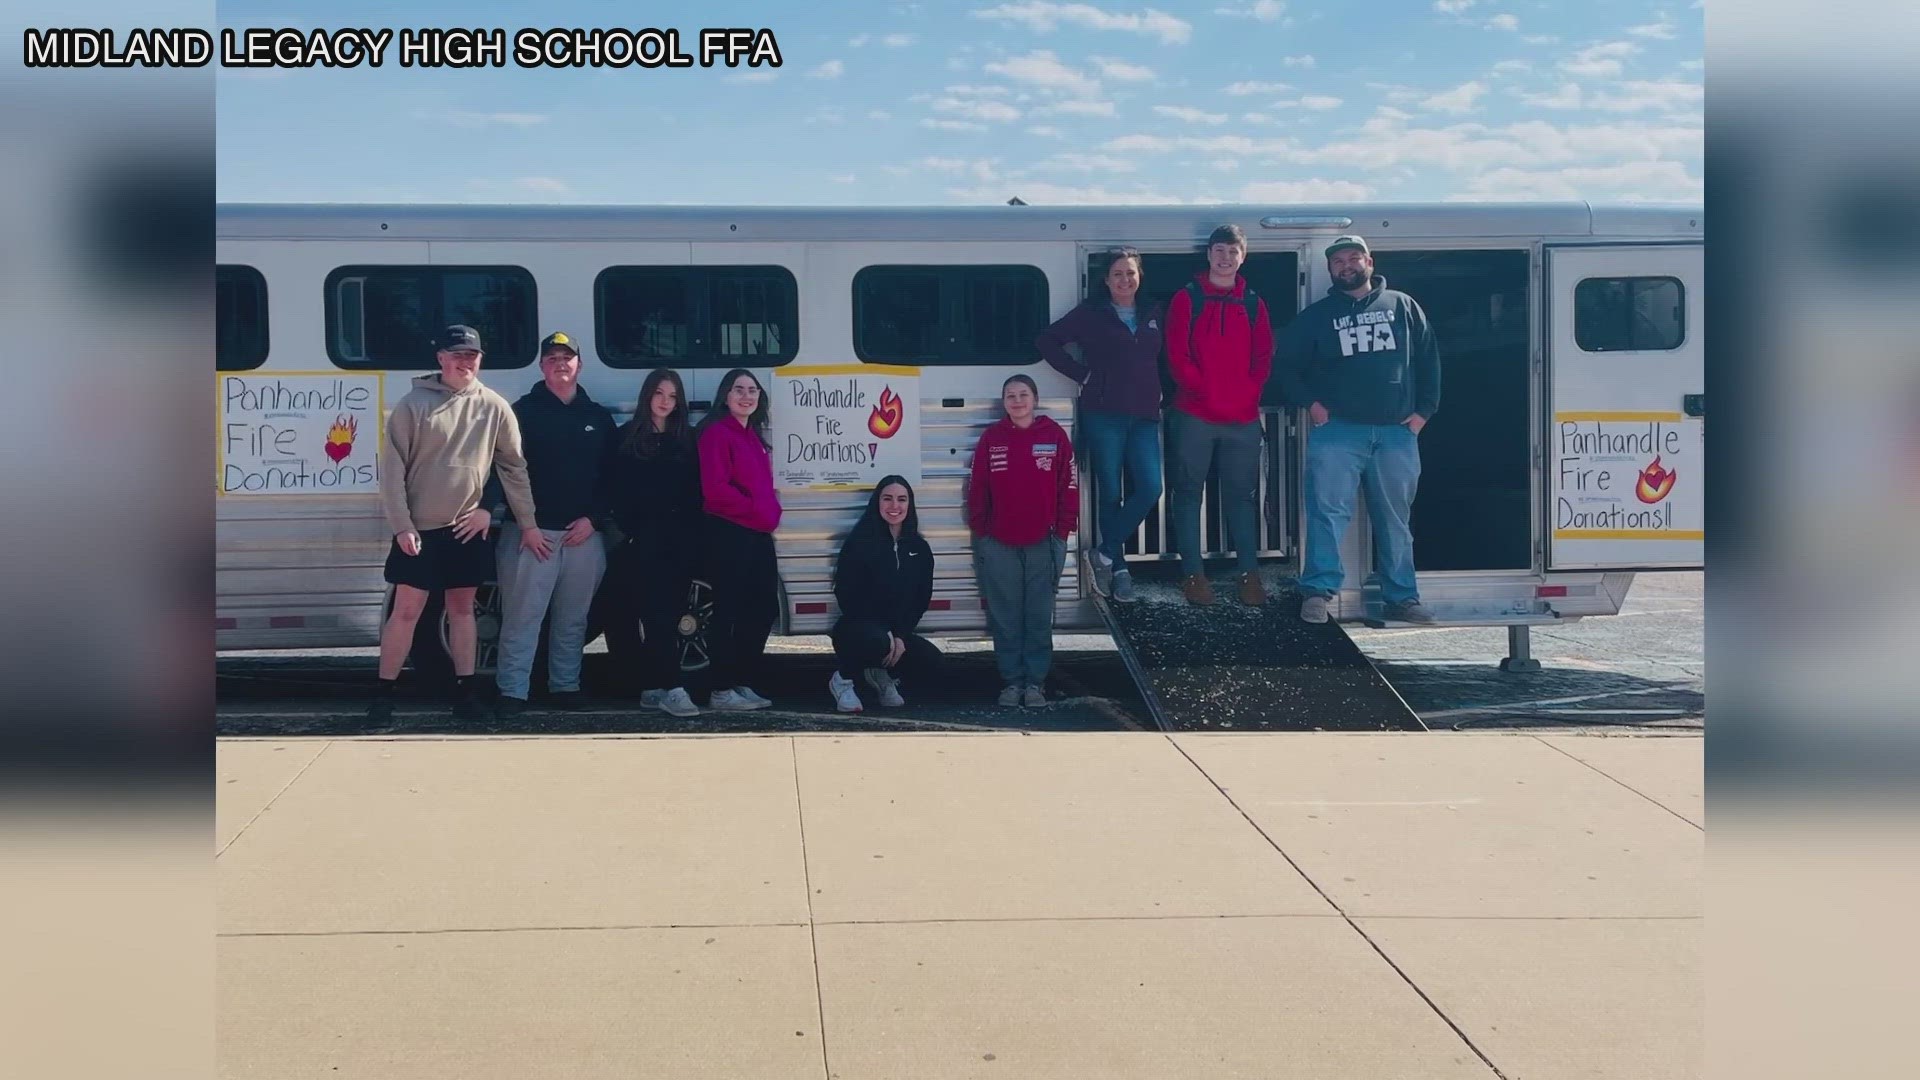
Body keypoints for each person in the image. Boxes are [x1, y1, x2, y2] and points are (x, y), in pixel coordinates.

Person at [370, 324, 547, 722]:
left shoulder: (494, 406)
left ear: (480, 360)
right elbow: (392, 472)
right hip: (418, 531)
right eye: (457, 355)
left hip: (467, 529)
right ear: (441, 358)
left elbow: (512, 467)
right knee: (406, 612)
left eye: (472, 355)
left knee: (463, 611)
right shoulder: (412, 405)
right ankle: (383, 695)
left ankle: (465, 693)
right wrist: (402, 526)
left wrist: (526, 521)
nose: (464, 362)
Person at [1274, 234, 1442, 625]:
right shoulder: (1317, 317)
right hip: (1338, 433)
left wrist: (1423, 414)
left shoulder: (1402, 306)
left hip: (1396, 435)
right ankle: (1317, 593)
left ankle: (1402, 598)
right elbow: (1286, 366)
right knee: (1326, 514)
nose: (1347, 266)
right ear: (1331, 270)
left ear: (1369, 261)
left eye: (1353, 258)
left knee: (1395, 519)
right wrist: (1313, 406)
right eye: (1338, 262)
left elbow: (1429, 359)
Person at [483, 331, 619, 718]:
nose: (561, 364)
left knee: (573, 620)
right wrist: (527, 525)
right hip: (530, 535)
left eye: (567, 357)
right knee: (521, 618)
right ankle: (512, 691)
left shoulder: (598, 417)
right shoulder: (522, 412)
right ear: (542, 366)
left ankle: (566, 686)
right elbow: (503, 470)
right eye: (552, 358)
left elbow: (612, 478)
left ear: (579, 364)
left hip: (582, 536)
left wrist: (594, 520)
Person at [1037, 246, 1164, 604]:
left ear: (1140, 276)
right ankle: (1120, 571)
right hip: (1104, 414)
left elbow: (1162, 359)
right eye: (1118, 274)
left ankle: (1104, 552)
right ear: (1106, 280)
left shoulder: (1154, 312)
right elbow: (1047, 341)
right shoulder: (1090, 314)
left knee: (1151, 487)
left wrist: (1162, 392)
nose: (1125, 279)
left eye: (1131, 273)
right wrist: (1083, 375)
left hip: (1143, 417)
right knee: (1110, 493)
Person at [1165, 223, 1275, 608]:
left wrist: (1248, 392)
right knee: (1188, 494)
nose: (1225, 258)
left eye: (1233, 252)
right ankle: (1193, 575)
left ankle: (1249, 574)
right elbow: (1177, 353)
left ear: (1242, 257)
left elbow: (1264, 356)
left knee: (1240, 498)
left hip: (1241, 418)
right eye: (1219, 250)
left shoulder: (1253, 303)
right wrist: (1203, 390)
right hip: (1194, 414)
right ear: (1208, 254)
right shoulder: (1187, 298)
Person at [967, 374, 1079, 708]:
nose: (1017, 401)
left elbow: (1068, 488)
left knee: (1038, 616)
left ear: (1035, 398)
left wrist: (1061, 532)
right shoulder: (992, 438)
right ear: (1004, 402)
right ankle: (1011, 683)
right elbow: (978, 488)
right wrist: (983, 533)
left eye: (1023, 394)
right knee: (1006, 616)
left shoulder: (1054, 435)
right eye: (1010, 396)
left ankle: (1035, 684)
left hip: (1042, 542)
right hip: (999, 542)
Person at [605, 368, 703, 718]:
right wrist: (622, 533)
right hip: (638, 542)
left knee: (669, 616)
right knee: (649, 616)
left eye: (673, 396)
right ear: (648, 396)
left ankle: (653, 687)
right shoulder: (625, 438)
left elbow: (696, 493)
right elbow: (611, 489)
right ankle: (673, 688)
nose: (665, 402)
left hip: (679, 543)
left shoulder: (688, 440)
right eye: (660, 394)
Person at [695, 368, 782, 711]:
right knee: (728, 611)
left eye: (753, 391)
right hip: (729, 534)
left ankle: (741, 681)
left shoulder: (752, 436)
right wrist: (759, 511)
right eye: (739, 389)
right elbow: (715, 492)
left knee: (762, 608)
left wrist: (769, 511)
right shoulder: (716, 433)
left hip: (757, 535)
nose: (746, 396)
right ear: (725, 395)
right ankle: (720, 689)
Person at [827, 476, 943, 712]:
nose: (894, 506)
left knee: (932, 661)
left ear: (909, 505)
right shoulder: (860, 542)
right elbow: (846, 594)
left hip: (894, 633)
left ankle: (880, 675)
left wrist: (900, 635)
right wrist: (885, 633)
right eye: (887, 498)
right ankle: (843, 680)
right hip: (857, 628)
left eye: (902, 499)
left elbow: (921, 599)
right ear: (876, 502)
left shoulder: (919, 548)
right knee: (877, 642)